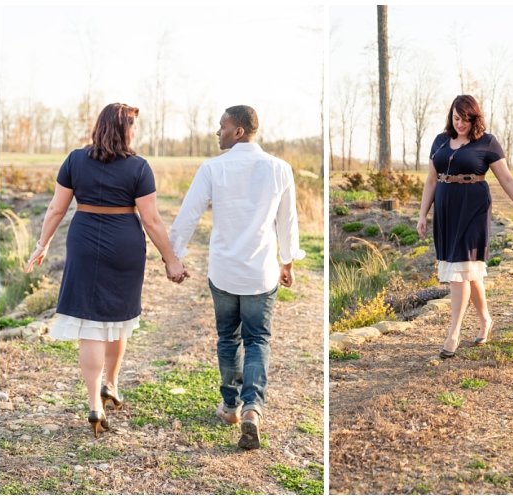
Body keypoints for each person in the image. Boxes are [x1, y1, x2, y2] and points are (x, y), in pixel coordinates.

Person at [25, 103, 188, 438]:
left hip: (84, 241)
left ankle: (95, 403)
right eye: (133, 126)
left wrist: (42, 244)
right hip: (124, 244)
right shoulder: (139, 167)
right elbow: (152, 220)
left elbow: (57, 208)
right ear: (125, 129)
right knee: (118, 318)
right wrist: (171, 259)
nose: (135, 132)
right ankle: (111, 384)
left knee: (90, 324)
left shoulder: (74, 160)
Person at [168, 105, 304, 450]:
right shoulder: (280, 168)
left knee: (228, 338)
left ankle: (230, 407)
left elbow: (188, 215)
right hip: (261, 272)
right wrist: (287, 261)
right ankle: (252, 410)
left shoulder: (213, 168)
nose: (218, 132)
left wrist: (175, 254)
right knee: (258, 340)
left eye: (222, 126)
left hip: (225, 271)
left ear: (239, 131)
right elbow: (288, 222)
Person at [416, 95, 513, 358]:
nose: (460, 124)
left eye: (465, 119)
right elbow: (431, 181)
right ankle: (486, 320)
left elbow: (507, 179)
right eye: (456, 118)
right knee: (469, 272)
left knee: (459, 270)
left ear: (475, 118)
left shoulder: (487, 142)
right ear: (451, 116)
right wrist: (423, 215)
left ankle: (453, 333)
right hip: (446, 210)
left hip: (473, 208)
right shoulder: (440, 141)